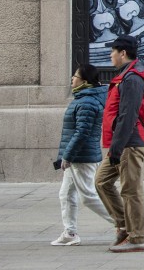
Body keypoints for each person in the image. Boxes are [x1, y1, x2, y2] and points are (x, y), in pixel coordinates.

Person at [95, 34, 144, 252]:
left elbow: (128, 115)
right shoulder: (124, 76)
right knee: (101, 182)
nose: (110, 55)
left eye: (112, 51)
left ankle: (137, 238)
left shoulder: (133, 78)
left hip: (129, 143)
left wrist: (117, 148)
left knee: (131, 190)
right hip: (120, 143)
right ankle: (123, 225)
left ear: (123, 53)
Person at [50, 63, 114, 246]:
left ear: (84, 81)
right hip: (77, 156)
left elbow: (82, 132)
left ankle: (124, 223)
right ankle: (70, 233)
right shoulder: (83, 98)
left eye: (75, 76)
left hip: (82, 157)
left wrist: (67, 155)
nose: (72, 78)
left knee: (88, 195)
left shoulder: (87, 102)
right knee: (66, 193)